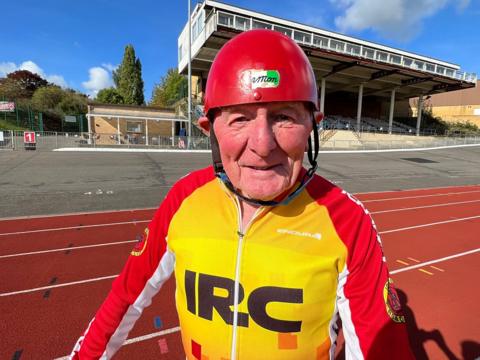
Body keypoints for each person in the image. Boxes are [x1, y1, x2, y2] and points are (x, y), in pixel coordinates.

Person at [70, 29, 414, 359]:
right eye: (239, 119)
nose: (262, 146)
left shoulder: (346, 220)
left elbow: (382, 348)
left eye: (284, 117)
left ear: (313, 125)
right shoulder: (184, 198)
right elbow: (125, 297)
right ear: (210, 130)